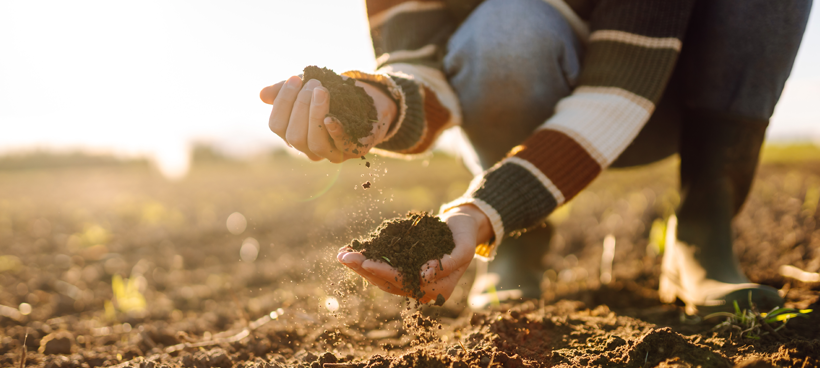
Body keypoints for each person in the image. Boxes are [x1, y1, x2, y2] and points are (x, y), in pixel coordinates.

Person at [260, 0, 813, 315]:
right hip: (538, 79)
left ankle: (703, 233)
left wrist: (486, 209)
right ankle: (515, 247)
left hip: (669, 94)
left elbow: (617, 94)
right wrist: (375, 105)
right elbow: (422, 66)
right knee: (508, 28)